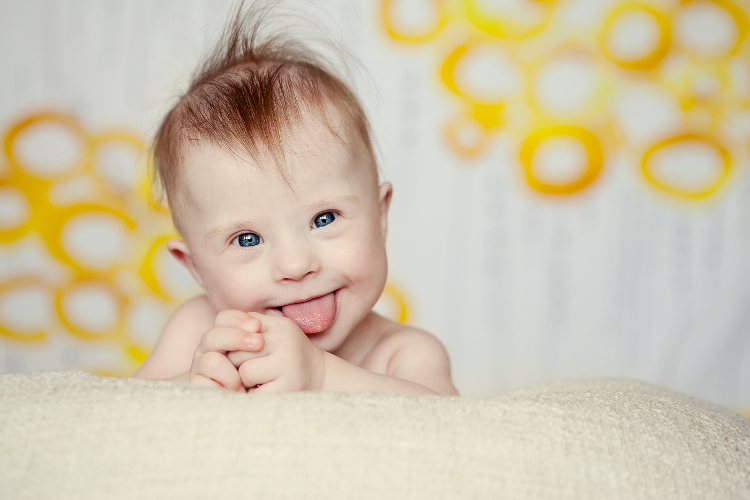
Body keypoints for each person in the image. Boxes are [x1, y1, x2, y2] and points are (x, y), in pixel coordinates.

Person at [133, 2, 458, 396]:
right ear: (195, 266)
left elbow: (449, 424)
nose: (296, 265)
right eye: (247, 239)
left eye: (324, 218)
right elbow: (127, 413)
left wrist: (322, 376)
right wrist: (192, 384)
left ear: (380, 214)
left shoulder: (402, 353)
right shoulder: (198, 331)